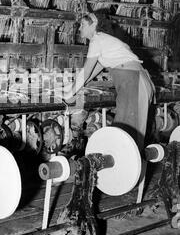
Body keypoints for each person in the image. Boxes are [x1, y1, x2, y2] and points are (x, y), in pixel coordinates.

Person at [63, 12, 156, 151]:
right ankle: (130, 167)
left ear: (93, 25)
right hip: (136, 82)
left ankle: (130, 168)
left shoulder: (97, 40)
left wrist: (69, 94)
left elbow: (87, 70)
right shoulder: (105, 42)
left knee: (128, 134)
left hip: (133, 83)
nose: (79, 28)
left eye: (82, 24)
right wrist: (72, 87)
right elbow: (92, 72)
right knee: (130, 133)